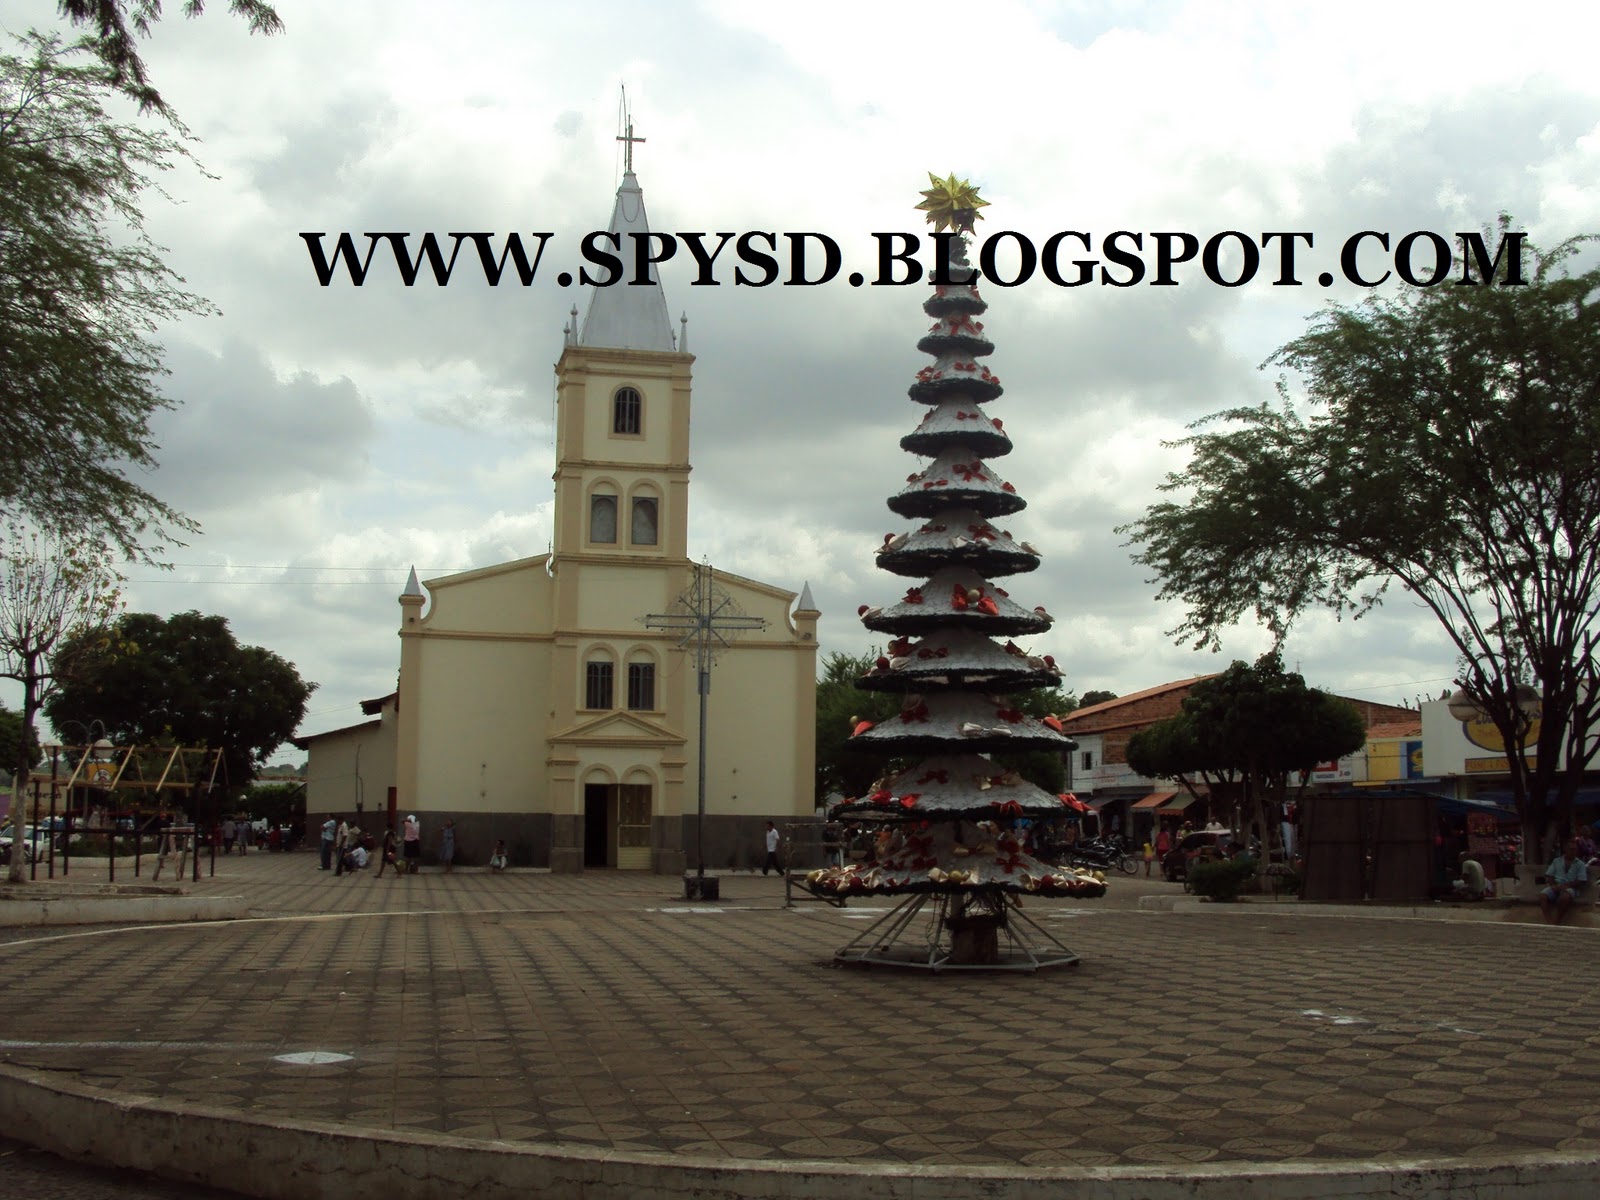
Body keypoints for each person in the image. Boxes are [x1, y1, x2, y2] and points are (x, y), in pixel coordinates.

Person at [1539, 838, 1588, 925]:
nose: (1572, 851)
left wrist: (1566, 886)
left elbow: (1581, 880)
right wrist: (1554, 885)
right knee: (1543, 896)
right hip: (1556, 885)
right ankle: (1549, 921)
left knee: (1565, 897)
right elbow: (1549, 875)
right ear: (1566, 849)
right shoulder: (1557, 861)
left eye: (1574, 849)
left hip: (1571, 887)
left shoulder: (1580, 864)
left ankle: (1557, 920)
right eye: (1570, 849)